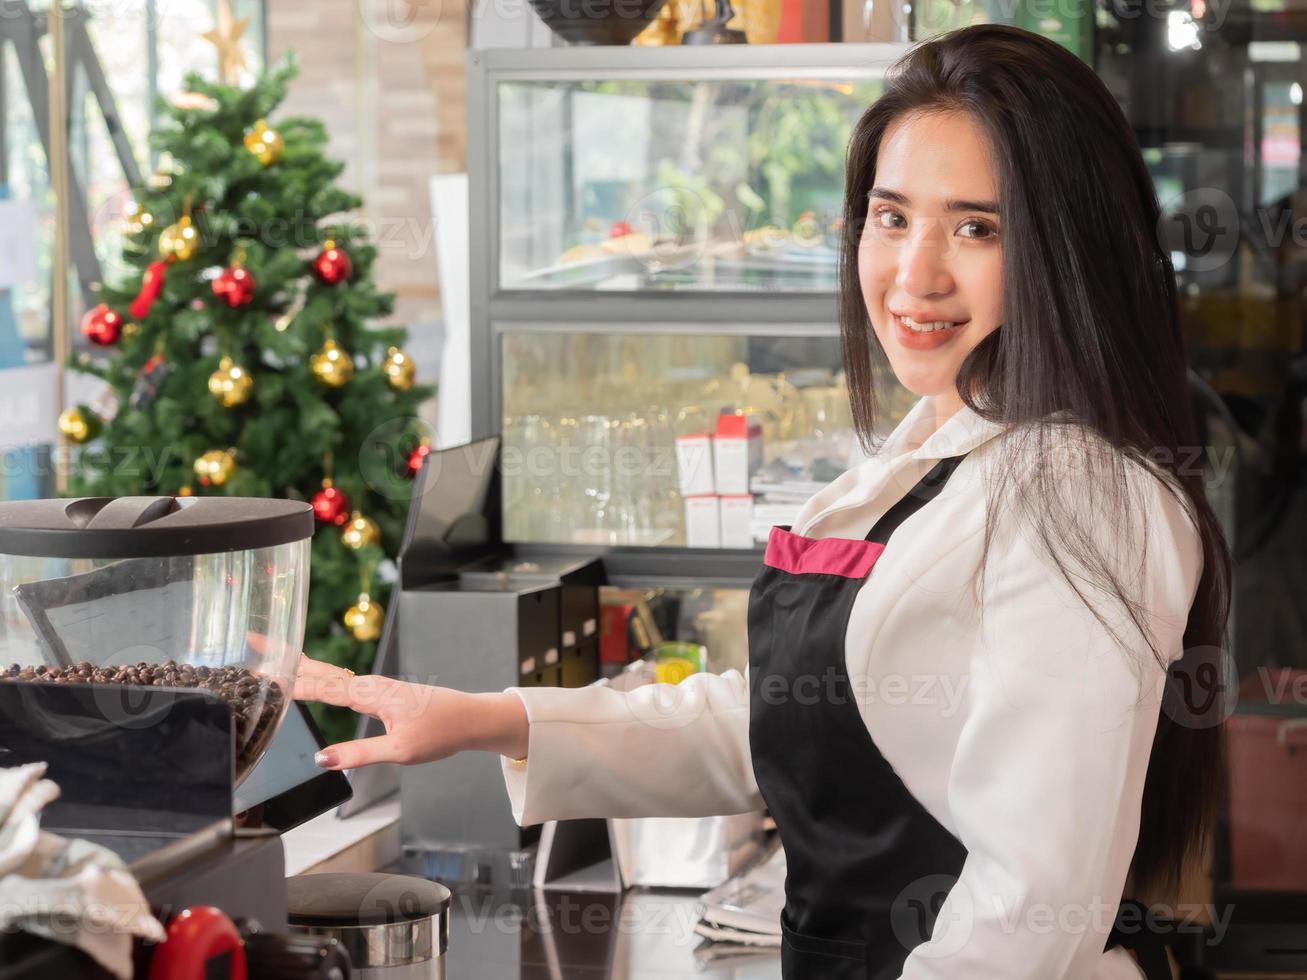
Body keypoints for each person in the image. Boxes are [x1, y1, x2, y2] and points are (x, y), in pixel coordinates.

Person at [296, 25, 1232, 980]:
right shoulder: (921, 455)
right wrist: (491, 717)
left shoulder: (1089, 495)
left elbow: (1030, 908)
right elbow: (792, 722)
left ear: (1068, 249)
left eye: (976, 227)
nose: (914, 275)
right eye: (891, 216)